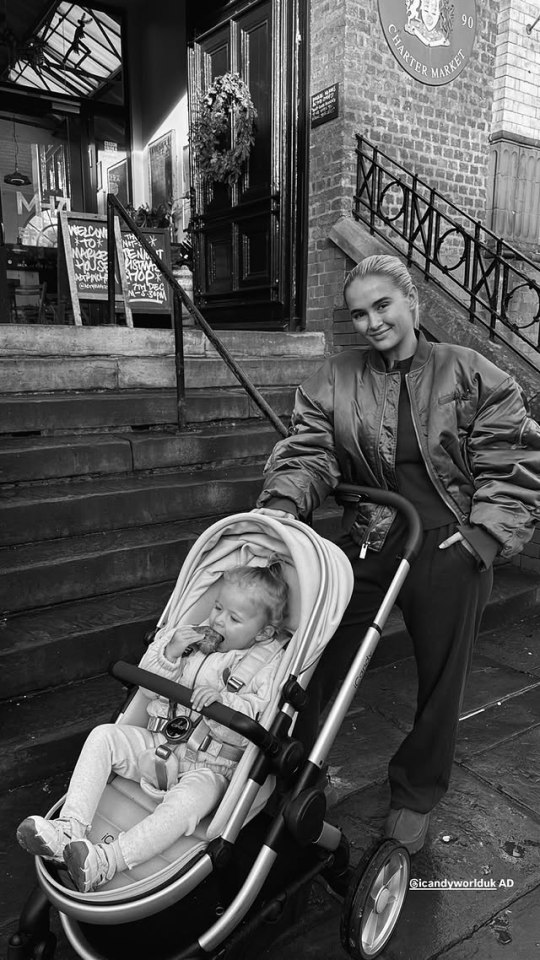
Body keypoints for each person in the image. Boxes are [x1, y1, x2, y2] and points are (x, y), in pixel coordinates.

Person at [255, 254, 540, 854]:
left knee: (441, 678)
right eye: (358, 313)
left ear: (414, 304)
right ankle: (294, 780)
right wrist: (284, 502)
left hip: (449, 544)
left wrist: (485, 536)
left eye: (383, 305)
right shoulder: (335, 377)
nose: (372, 322)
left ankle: (414, 794)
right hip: (368, 541)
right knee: (314, 660)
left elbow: (510, 456)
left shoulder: (472, 372)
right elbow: (310, 450)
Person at [17, 562, 289, 891]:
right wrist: (171, 652)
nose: (217, 620)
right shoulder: (190, 637)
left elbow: (256, 721)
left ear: (263, 633)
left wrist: (222, 703)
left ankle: (106, 862)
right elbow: (148, 688)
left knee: (189, 802)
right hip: (162, 740)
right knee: (104, 736)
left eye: (234, 618)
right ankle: (68, 830)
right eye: (218, 607)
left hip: (211, 766)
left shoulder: (267, 667)